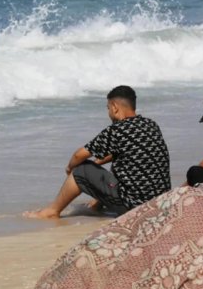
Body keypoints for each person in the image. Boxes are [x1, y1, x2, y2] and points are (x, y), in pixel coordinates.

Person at [25, 86, 171, 220]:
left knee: (81, 169)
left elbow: (78, 155)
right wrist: (96, 164)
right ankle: (97, 205)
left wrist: (70, 169)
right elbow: (126, 153)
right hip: (159, 201)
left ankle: (52, 211)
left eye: (108, 108)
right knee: (118, 167)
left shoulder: (117, 130)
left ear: (114, 107)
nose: (108, 113)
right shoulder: (150, 124)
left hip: (134, 206)